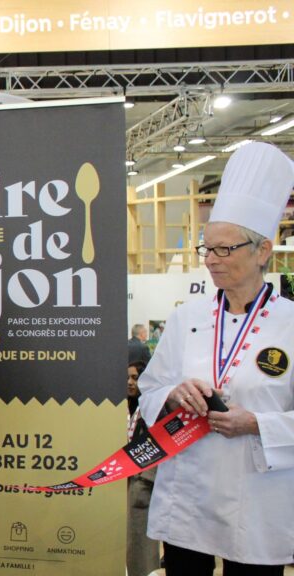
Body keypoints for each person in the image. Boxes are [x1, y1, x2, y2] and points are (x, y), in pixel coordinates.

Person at [138, 142, 294, 575]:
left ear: (262, 251)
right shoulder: (186, 318)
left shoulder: (291, 323)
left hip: (258, 494)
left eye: (224, 250)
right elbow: (149, 390)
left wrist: (257, 423)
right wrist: (174, 394)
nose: (210, 261)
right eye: (206, 249)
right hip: (188, 492)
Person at [126, 361, 159, 576]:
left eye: (136, 378)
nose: (130, 382)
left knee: (141, 542)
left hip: (143, 478)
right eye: (127, 377)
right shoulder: (123, 405)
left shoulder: (150, 409)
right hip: (124, 476)